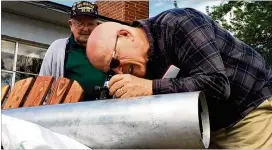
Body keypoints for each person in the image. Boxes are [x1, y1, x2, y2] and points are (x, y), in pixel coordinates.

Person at [86, 8, 272, 148]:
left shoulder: (180, 24)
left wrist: (150, 87)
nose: (120, 72)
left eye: (113, 63)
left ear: (126, 35)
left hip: (248, 110)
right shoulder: (140, 65)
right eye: (111, 72)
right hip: (208, 127)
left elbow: (217, 85)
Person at [39, 1, 106, 101]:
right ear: (71, 24)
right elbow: (42, 84)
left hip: (102, 112)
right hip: (64, 112)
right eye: (80, 24)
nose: (86, 29)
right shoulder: (57, 48)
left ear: (97, 25)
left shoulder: (108, 49)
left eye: (90, 24)